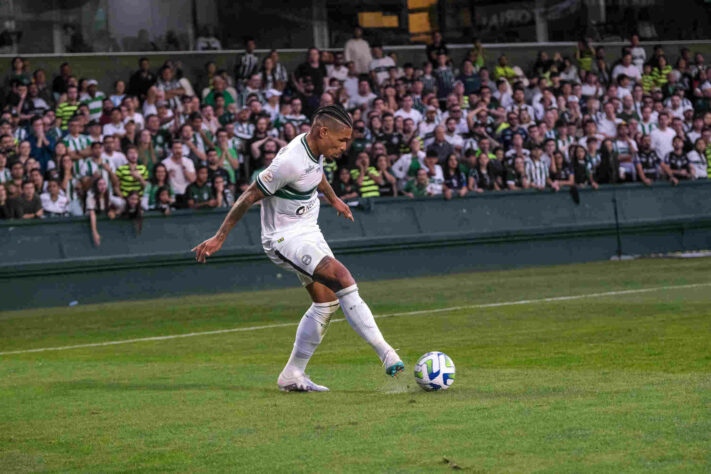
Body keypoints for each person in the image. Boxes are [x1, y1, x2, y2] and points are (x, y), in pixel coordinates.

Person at [191, 104, 404, 392]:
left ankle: (292, 374)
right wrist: (219, 237)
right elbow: (248, 196)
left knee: (325, 304)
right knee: (343, 278)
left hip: (308, 231)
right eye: (342, 140)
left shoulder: (315, 149)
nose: (344, 147)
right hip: (284, 238)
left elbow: (316, 174)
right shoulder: (288, 162)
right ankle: (386, 352)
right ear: (323, 131)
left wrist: (334, 199)